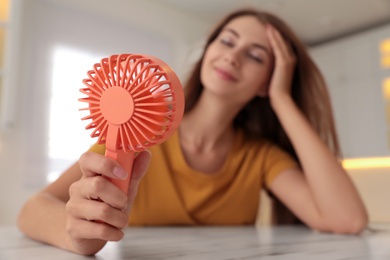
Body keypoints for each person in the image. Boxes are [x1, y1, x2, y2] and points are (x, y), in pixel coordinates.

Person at [17, 8, 368, 256]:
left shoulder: (259, 158)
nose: (233, 57)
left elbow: (348, 219)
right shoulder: (137, 132)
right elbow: (33, 209)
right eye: (227, 42)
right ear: (209, 50)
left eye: (256, 56)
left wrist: (282, 99)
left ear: (268, 82)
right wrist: (75, 234)